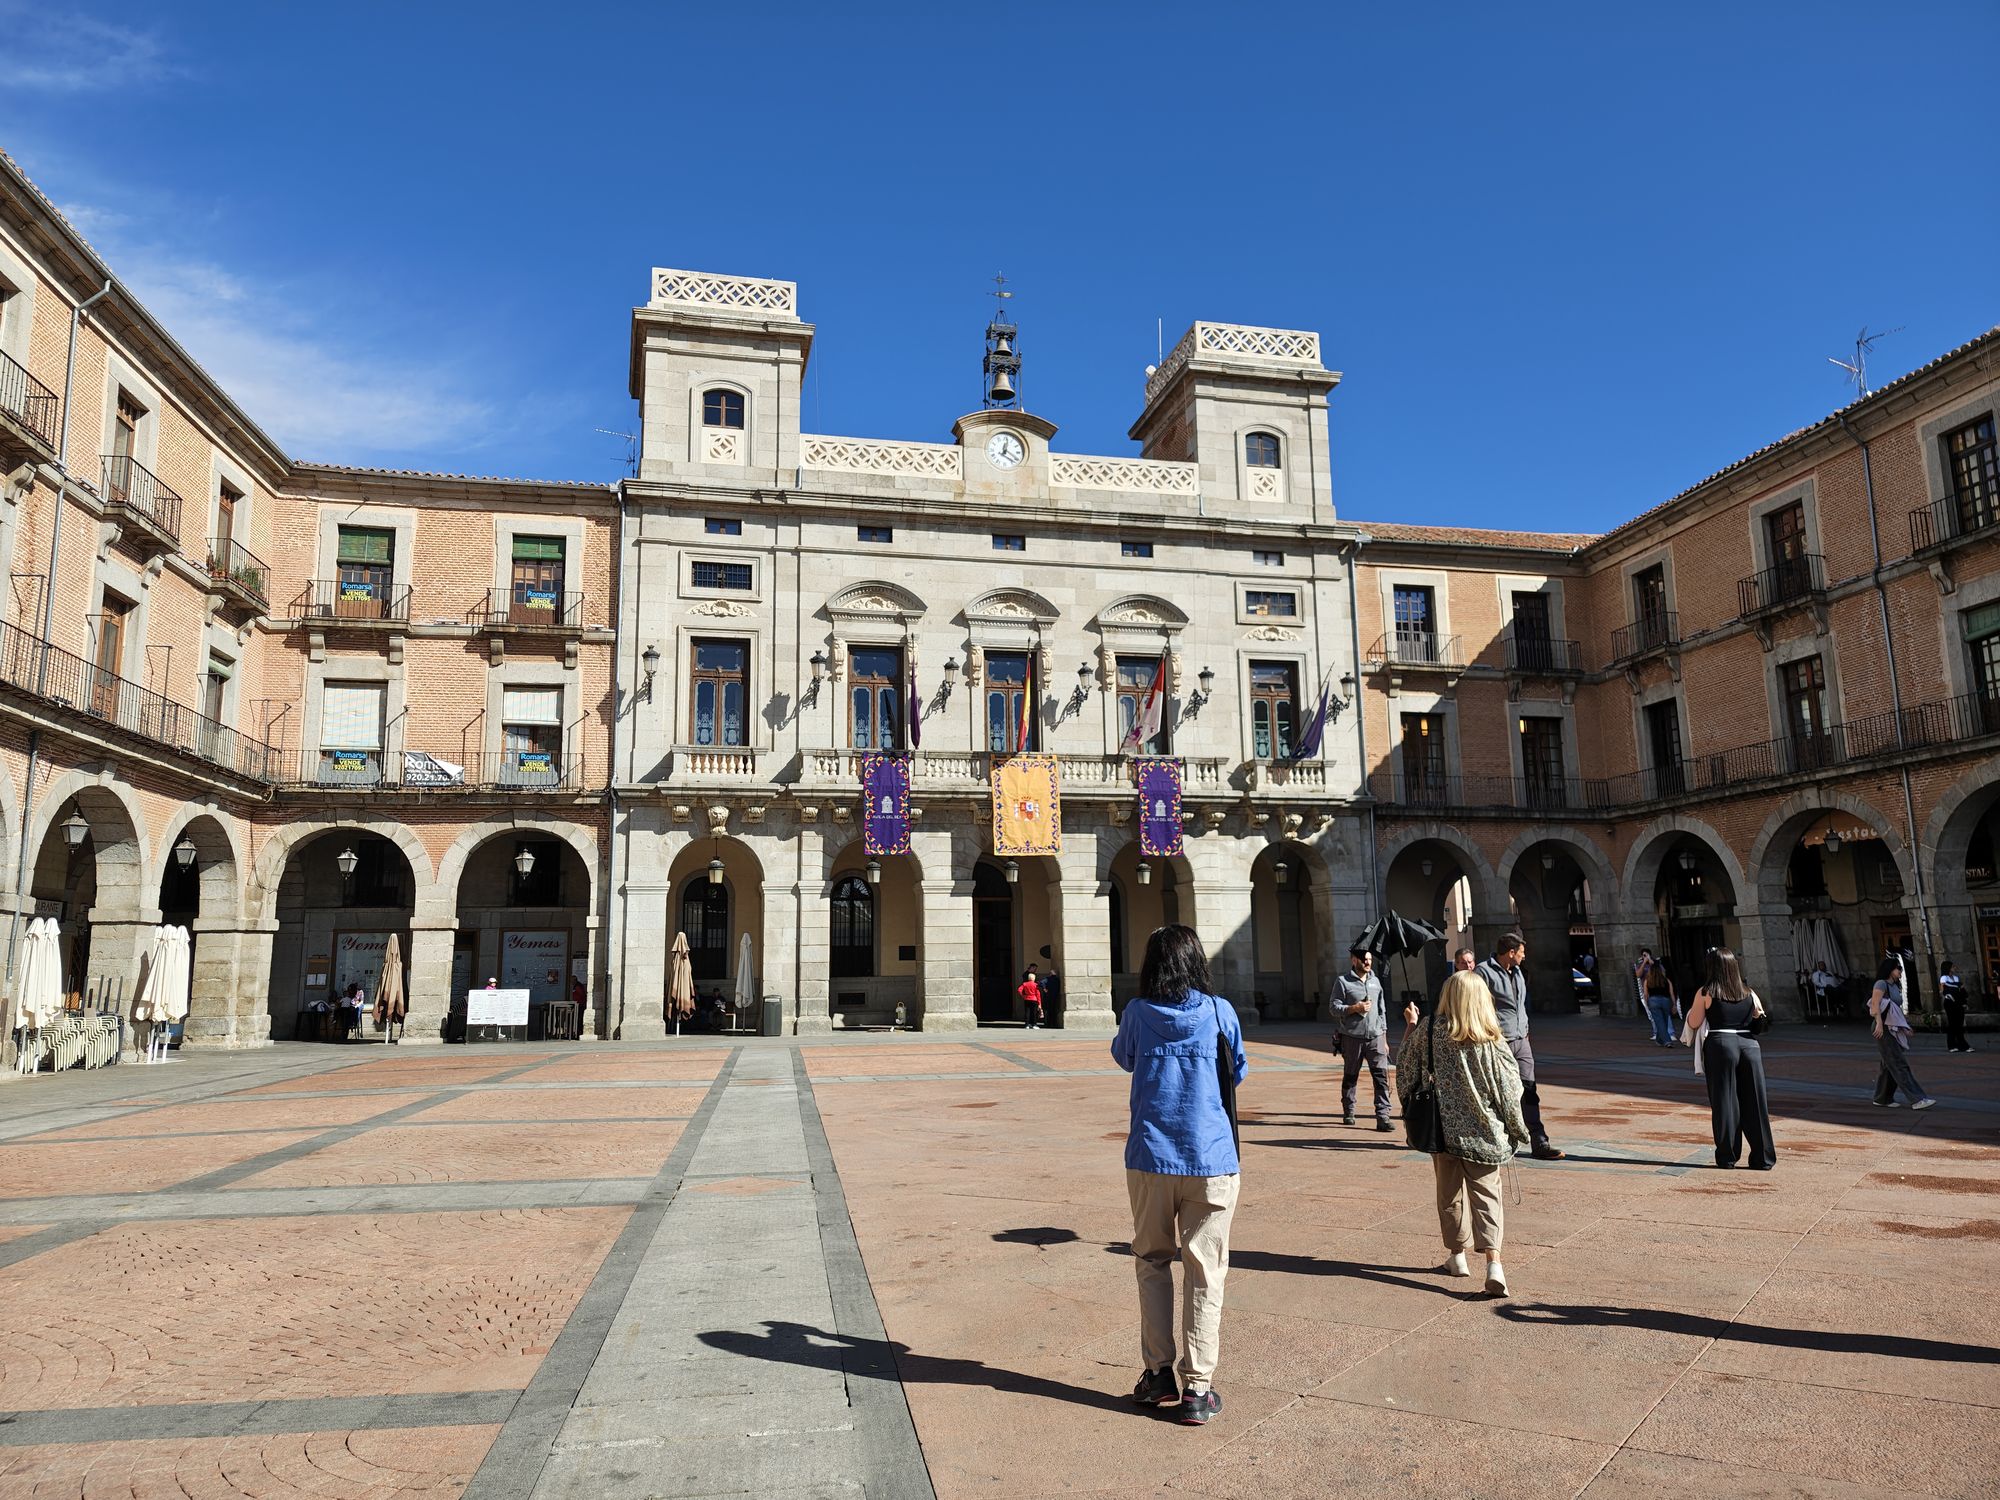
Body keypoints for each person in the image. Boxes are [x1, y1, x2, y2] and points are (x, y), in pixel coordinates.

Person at [1111, 924, 1246, 1427]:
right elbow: (1240, 1070)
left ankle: (1157, 1373)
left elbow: (1123, 1057)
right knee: (1205, 1270)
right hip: (1211, 1156)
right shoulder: (1219, 1012)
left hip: (1150, 1156)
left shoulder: (1138, 1014)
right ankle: (1199, 1388)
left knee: (1151, 1260)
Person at [1396, 970, 1528, 1297]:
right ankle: (1494, 1264)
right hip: (1485, 1132)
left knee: (1449, 1195)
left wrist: (1411, 1025)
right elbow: (1510, 1089)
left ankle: (1457, 1257)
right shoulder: (1491, 1037)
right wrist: (1517, 1128)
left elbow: (1405, 1072)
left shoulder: (1429, 1030)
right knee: (1487, 1197)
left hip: (1442, 1131)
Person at [1682, 949, 1775, 1170]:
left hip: (1721, 1044)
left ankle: (1728, 1156)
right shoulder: (1749, 992)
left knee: (1724, 1102)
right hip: (1750, 1046)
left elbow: (1694, 1023)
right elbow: (1758, 1018)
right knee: (1755, 1102)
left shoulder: (1706, 992)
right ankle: (1763, 1158)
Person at [1474, 935, 1564, 1159]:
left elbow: (1520, 1007)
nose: (1525, 956)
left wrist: (1525, 1030)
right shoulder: (1483, 972)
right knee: (1499, 1093)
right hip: (1497, 1042)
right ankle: (1497, 1139)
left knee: (1529, 1089)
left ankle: (1539, 1141)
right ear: (1511, 952)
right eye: (1522, 952)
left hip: (1521, 1041)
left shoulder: (1518, 973)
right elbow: (1476, 1007)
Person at [1332, 947, 1393, 1131]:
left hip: (1376, 1037)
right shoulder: (1343, 982)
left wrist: (1384, 1037)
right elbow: (1334, 1008)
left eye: (1370, 960)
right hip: (1352, 1037)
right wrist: (1354, 1008)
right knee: (1351, 1076)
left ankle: (1383, 1116)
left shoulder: (1376, 982)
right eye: (1364, 960)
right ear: (1354, 961)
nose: (1368, 962)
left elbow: (1382, 1011)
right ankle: (1349, 1110)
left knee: (1381, 1077)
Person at [1869, 957, 1935, 1109]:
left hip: (1891, 1025)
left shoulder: (1894, 986)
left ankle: (1882, 1098)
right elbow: (1874, 1005)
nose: (1900, 971)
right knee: (1898, 1063)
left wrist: (1904, 1026)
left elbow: (1895, 1010)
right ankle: (1917, 1099)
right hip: (1883, 1026)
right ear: (1890, 969)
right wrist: (1879, 1024)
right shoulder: (1881, 983)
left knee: (1889, 1063)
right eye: (1898, 968)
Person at [1641, 952, 1678, 1048]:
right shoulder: (1666, 980)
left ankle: (1666, 1041)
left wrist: (1647, 1004)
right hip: (1666, 1001)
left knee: (1659, 1021)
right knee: (1664, 1021)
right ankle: (1660, 1039)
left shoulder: (1647, 980)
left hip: (1653, 1001)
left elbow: (1645, 994)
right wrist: (1674, 1005)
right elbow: (1671, 993)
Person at [1939, 961, 1972, 1053]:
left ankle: (1960, 1044)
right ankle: (1953, 1045)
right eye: (1953, 966)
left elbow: (1961, 991)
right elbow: (1943, 991)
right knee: (1953, 1023)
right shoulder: (1944, 978)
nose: (1955, 967)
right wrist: (1957, 988)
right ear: (1948, 967)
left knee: (1959, 1023)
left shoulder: (1956, 978)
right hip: (1950, 1002)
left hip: (1958, 1002)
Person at [1018, 965, 1045, 1029]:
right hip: (1034, 999)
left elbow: (1019, 990)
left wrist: (1023, 996)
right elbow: (1038, 994)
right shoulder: (1036, 985)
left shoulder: (1025, 984)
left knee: (1027, 1012)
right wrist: (1039, 1003)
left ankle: (1027, 1025)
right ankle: (1034, 1024)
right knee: (1034, 1013)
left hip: (1027, 999)